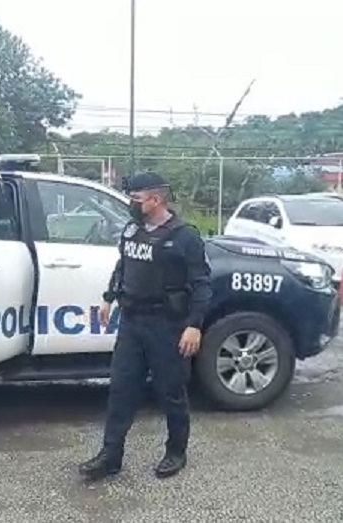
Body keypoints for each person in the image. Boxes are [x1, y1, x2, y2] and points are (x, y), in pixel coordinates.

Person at [78, 171, 212, 481]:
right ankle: (110, 456)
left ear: (156, 200)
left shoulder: (184, 236)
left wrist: (194, 325)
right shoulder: (131, 229)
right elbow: (122, 265)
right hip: (132, 322)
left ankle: (176, 451)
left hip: (167, 325)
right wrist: (108, 297)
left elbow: (202, 284)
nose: (131, 205)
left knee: (171, 392)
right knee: (121, 391)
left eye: (136, 199)